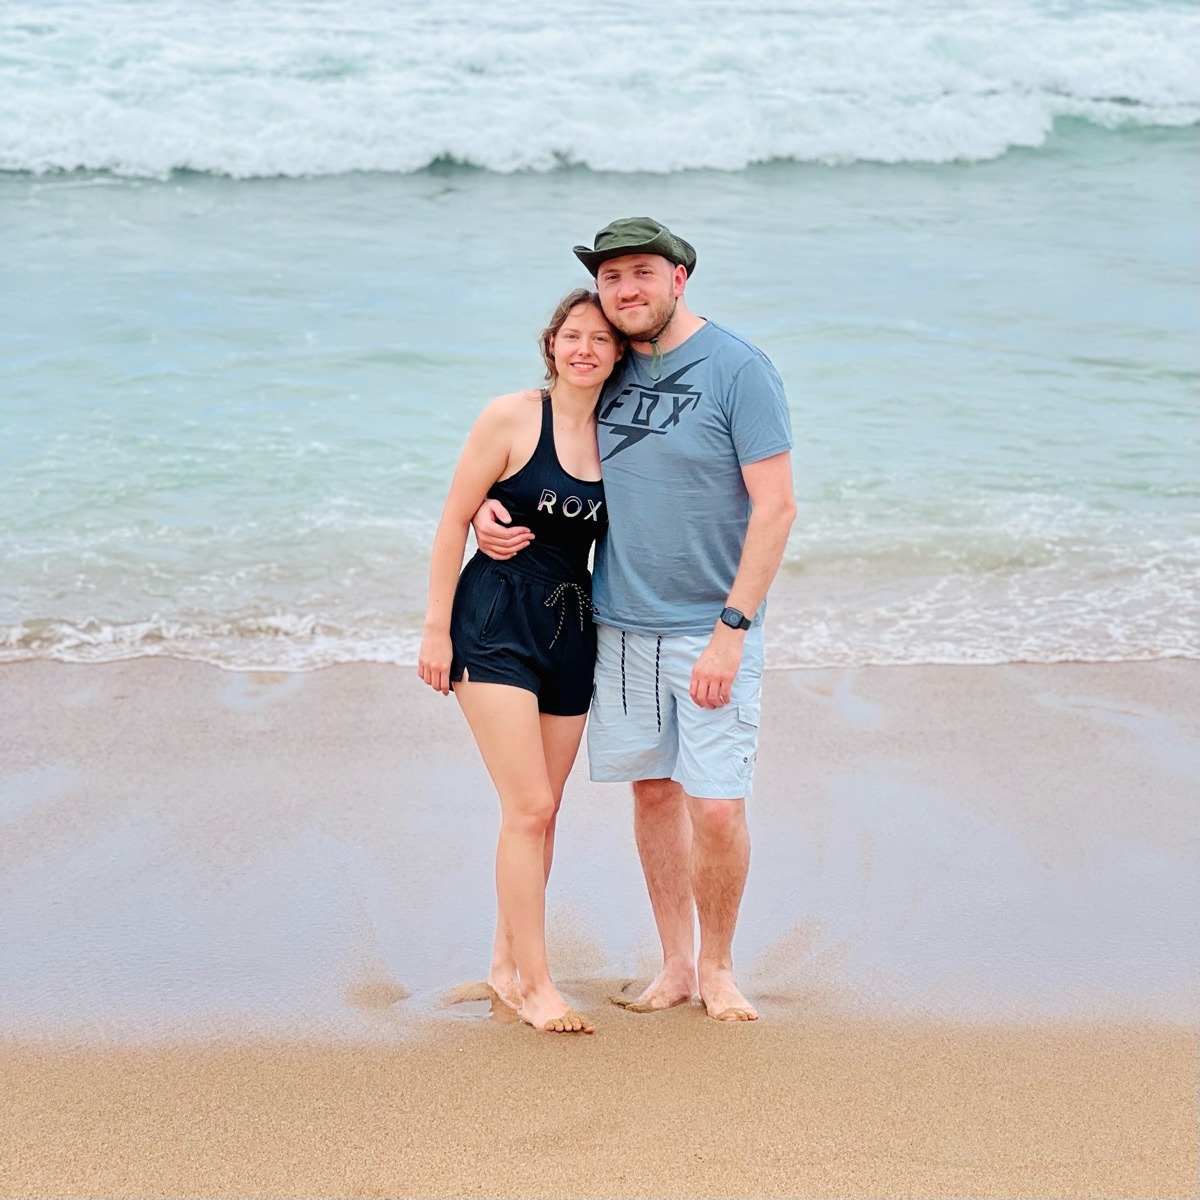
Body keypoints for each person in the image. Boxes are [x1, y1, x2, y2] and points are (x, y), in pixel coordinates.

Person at [473, 218, 796, 1022]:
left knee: (716, 804)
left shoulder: (739, 370)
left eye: (641, 274)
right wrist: (488, 510)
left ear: (679, 278)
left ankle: (720, 967)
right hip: (614, 624)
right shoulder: (607, 364)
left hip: (710, 627)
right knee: (652, 794)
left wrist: (733, 627)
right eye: (612, 278)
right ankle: (677, 966)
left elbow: (777, 508)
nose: (626, 291)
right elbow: (544, 451)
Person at [417, 289, 625, 1034]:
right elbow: (450, 521)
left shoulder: (620, 437)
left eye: (601, 339)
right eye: (573, 335)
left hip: (573, 630)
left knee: (546, 812)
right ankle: (537, 985)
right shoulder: (511, 417)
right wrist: (436, 631)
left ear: (618, 353)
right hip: (494, 622)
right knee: (528, 808)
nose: (585, 349)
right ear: (551, 345)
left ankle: (506, 965)